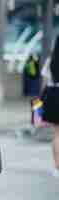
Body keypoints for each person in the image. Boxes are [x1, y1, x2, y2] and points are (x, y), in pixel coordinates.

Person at [41, 36, 59, 177]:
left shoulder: (51, 61)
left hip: (53, 96)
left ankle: (57, 167)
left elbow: (45, 82)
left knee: (57, 135)